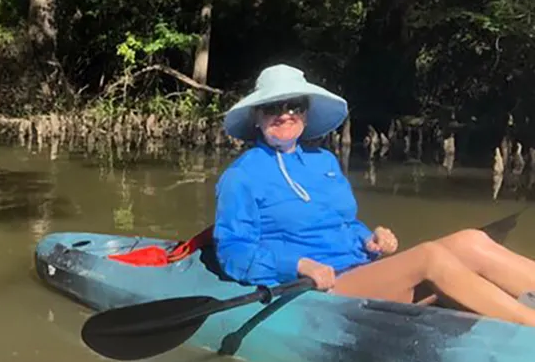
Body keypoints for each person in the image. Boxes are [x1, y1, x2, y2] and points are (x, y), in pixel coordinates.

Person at [213, 63, 535, 327]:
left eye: (294, 105)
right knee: (429, 257)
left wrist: (371, 238)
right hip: (319, 291)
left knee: (470, 241)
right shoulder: (241, 177)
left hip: (360, 269)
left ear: (306, 113)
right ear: (257, 116)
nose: (285, 114)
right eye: (273, 108)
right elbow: (233, 252)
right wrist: (298, 264)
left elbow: (345, 224)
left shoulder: (323, 162)